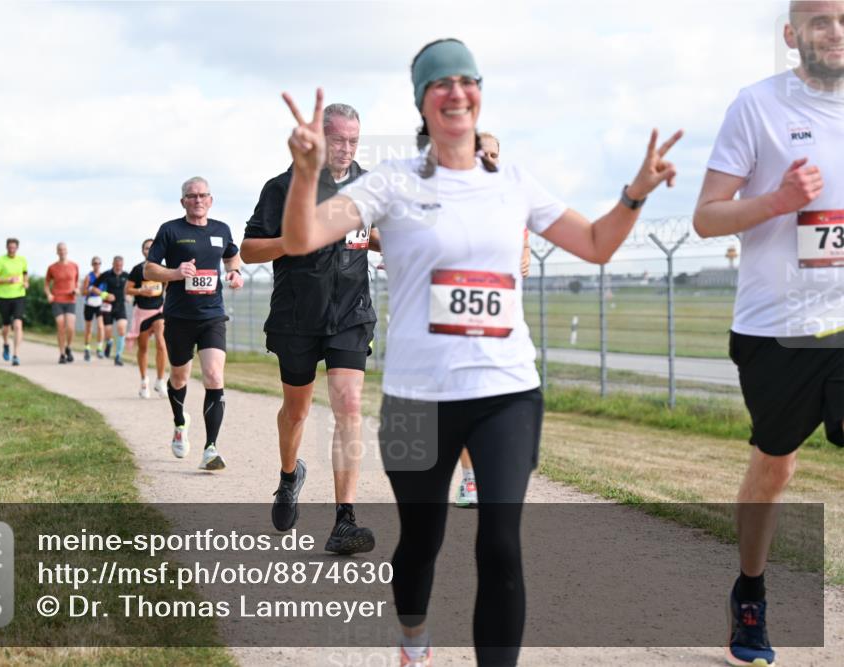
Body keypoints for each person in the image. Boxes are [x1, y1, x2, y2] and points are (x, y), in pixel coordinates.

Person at [279, 39, 681, 666]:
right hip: (416, 398)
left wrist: (634, 195)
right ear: (423, 100)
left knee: (500, 543)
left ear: (480, 93)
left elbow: (598, 243)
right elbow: (302, 237)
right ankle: (414, 640)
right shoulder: (391, 182)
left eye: (467, 80)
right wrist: (306, 173)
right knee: (420, 541)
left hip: (507, 393)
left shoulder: (514, 182)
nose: (456, 91)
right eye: (441, 83)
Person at [693, 3, 843, 665]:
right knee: (775, 466)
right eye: (818, 20)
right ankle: (750, 591)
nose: (833, 30)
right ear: (792, 36)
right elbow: (706, 217)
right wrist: (777, 202)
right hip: (778, 328)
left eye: (842, 17)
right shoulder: (755, 108)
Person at [242, 102, 379, 554]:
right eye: (338, 139)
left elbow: (379, 233)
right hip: (297, 316)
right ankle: (288, 476)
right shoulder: (283, 186)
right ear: (319, 138)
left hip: (351, 314)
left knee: (349, 406)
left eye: (353, 140)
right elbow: (249, 250)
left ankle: (345, 520)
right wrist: (295, 239)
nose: (346, 149)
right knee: (297, 411)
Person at [454, 132, 532, 509]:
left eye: (494, 153)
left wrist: (526, 254)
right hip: (461, 315)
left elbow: (523, 243)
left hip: (504, 314)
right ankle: (470, 480)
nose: (488, 157)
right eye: (480, 151)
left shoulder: (510, 199)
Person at [145, 176, 244, 471]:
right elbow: (150, 268)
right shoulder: (170, 230)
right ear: (183, 201)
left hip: (212, 314)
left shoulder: (221, 229)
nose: (197, 200)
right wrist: (176, 273)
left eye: (202, 195)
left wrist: (235, 273)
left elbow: (232, 255)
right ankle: (179, 423)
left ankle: (210, 448)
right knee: (179, 378)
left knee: (214, 376)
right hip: (178, 317)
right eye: (191, 196)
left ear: (210, 200)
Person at [126, 238, 169, 398]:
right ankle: (144, 381)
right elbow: (128, 290)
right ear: (142, 251)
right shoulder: (138, 270)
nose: (149, 250)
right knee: (143, 348)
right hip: (142, 313)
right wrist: (140, 292)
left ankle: (160, 380)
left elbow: (170, 285)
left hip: (158, 311)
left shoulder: (163, 269)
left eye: (152, 248)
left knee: (161, 343)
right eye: (146, 248)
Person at [0, 238, 28, 366]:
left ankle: (16, 355)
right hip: (3, 297)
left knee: (18, 324)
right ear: (6, 247)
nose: (12, 250)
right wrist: (8, 280)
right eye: (9, 247)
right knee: (6, 326)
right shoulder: (0, 260)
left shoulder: (22, 260)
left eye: (14, 247)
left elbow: (25, 273)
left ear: (17, 248)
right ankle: (6, 343)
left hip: (19, 295)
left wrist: (26, 282)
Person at [45, 242, 80, 364]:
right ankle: (62, 354)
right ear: (57, 251)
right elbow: (46, 284)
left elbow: (77, 283)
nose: (62, 251)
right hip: (57, 300)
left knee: (70, 327)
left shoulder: (74, 266)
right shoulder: (52, 267)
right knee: (60, 326)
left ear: (67, 250)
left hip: (70, 300)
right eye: (60, 249)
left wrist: (77, 290)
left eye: (64, 249)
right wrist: (49, 294)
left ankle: (68, 347)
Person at [96, 256, 129, 367]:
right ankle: (109, 342)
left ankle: (118, 356)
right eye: (117, 265)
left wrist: (129, 296)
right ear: (113, 264)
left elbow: (130, 288)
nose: (119, 267)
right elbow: (94, 288)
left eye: (121, 265)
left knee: (122, 329)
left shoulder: (126, 276)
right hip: (108, 307)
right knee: (108, 331)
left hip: (120, 306)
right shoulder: (106, 275)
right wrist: (105, 295)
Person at [81, 257, 106, 361]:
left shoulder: (103, 277)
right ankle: (87, 348)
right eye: (95, 263)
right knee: (89, 328)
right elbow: (83, 292)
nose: (97, 265)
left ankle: (99, 348)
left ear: (101, 264)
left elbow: (105, 291)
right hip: (89, 304)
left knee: (100, 327)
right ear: (92, 265)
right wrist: (91, 290)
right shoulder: (88, 277)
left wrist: (104, 295)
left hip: (99, 304)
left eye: (98, 263)